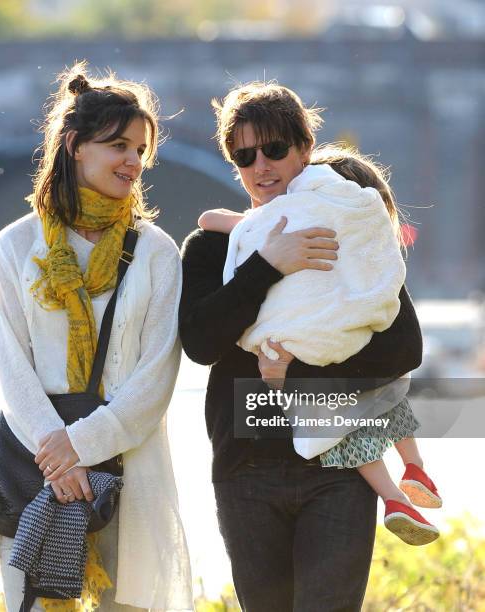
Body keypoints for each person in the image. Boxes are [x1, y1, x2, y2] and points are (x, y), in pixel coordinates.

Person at [179, 82, 424, 611]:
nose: (261, 166)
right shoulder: (211, 247)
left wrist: (297, 378)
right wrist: (268, 265)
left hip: (338, 472)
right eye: (245, 155)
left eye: (274, 150)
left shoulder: (343, 233)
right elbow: (200, 342)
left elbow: (404, 346)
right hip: (245, 469)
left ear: (305, 150)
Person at [0, 61, 191, 611]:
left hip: (131, 466)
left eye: (141, 150)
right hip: (35, 463)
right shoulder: (16, 246)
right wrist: (59, 456)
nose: (134, 161)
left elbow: (157, 375)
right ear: (76, 146)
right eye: (119, 145)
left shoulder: (155, 252)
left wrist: (81, 446)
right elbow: (11, 363)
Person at [198, 145, 442, 546]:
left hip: (294, 377)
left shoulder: (283, 225)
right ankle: (415, 468)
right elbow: (402, 349)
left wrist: (293, 375)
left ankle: (394, 497)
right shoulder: (368, 262)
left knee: (339, 430)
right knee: (387, 397)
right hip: (357, 373)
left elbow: (213, 218)